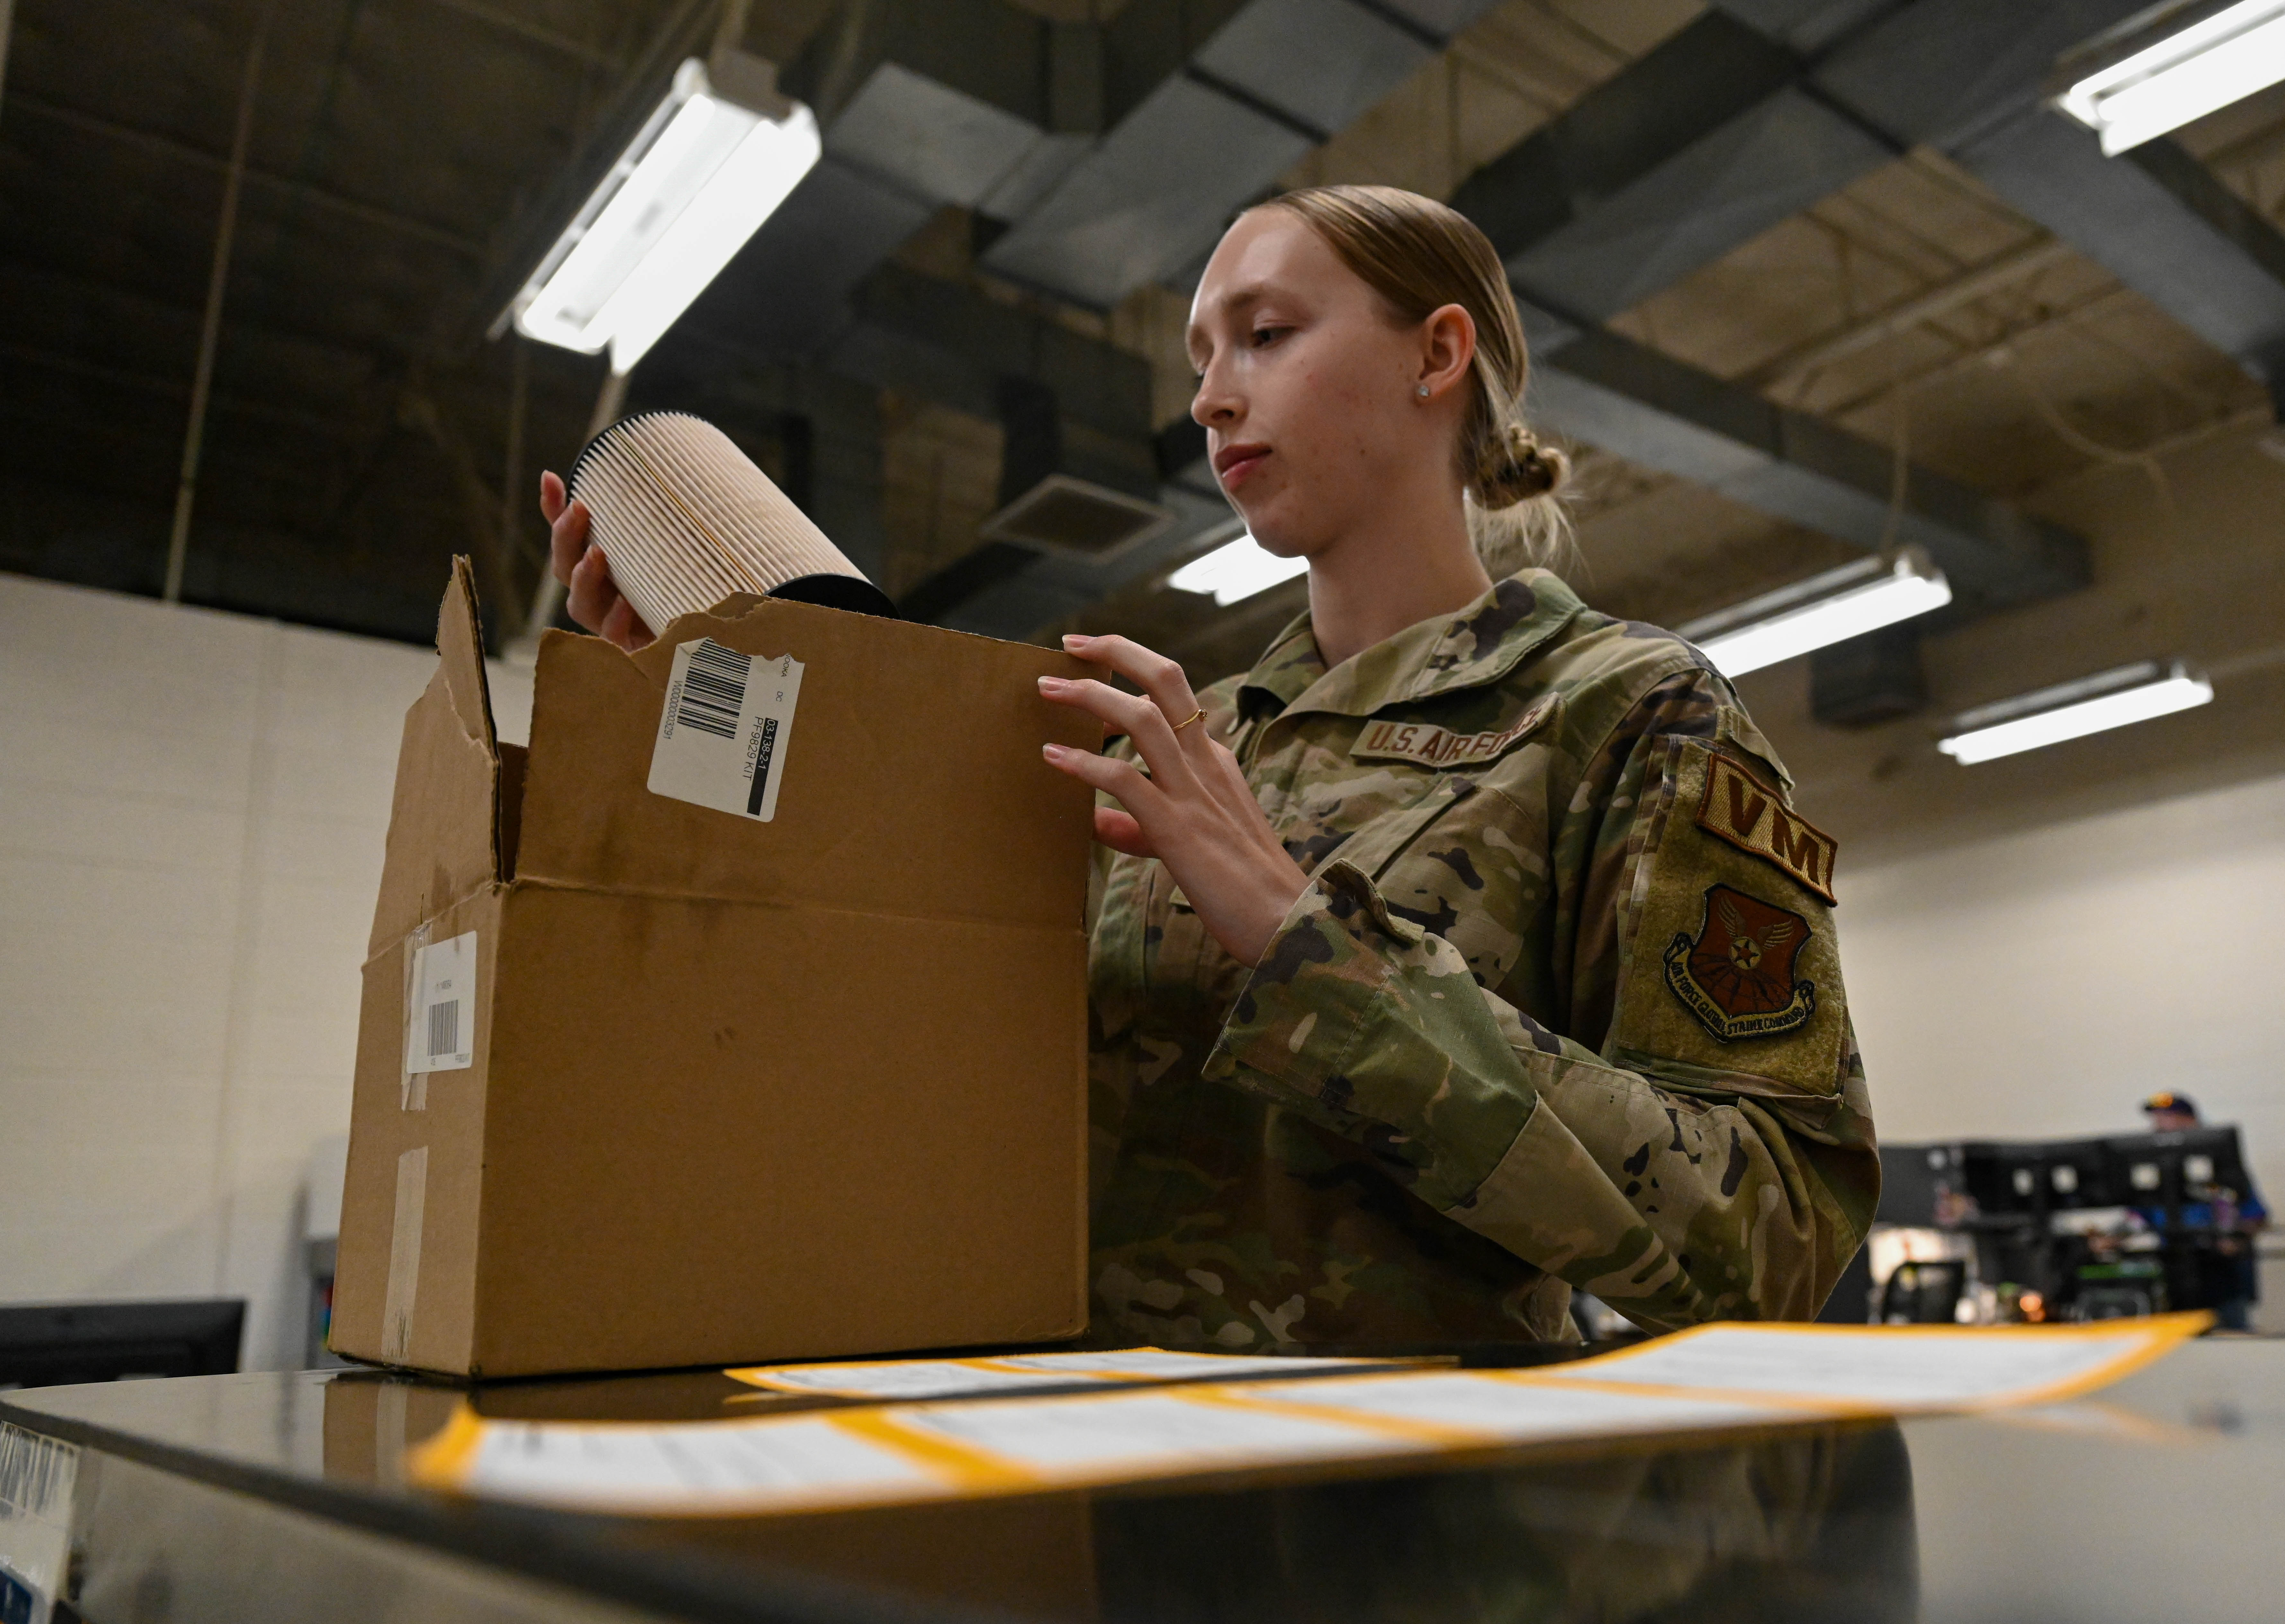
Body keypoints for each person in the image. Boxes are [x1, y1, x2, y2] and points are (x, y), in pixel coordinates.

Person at [541, 184, 1879, 1346]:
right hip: (1070, 1505)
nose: (1206, 394)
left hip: (1399, 1531)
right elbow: (919, 1057)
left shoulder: (1622, 715)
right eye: (1198, 356)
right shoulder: (1180, 744)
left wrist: (1313, 948)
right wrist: (713, 729)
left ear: (1437, 353)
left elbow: (1770, 1236)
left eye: (1263, 332)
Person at [2139, 1092, 2266, 1330]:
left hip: (2221, 1272)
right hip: (2173, 1272)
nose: (2157, 1127)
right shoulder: (2155, 1175)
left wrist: (2235, 1239)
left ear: (2191, 1122)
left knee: (2230, 1338)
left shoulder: (2222, 1169)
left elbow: (2255, 1215)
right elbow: (2138, 1216)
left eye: (2166, 1119)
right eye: (2155, 1120)